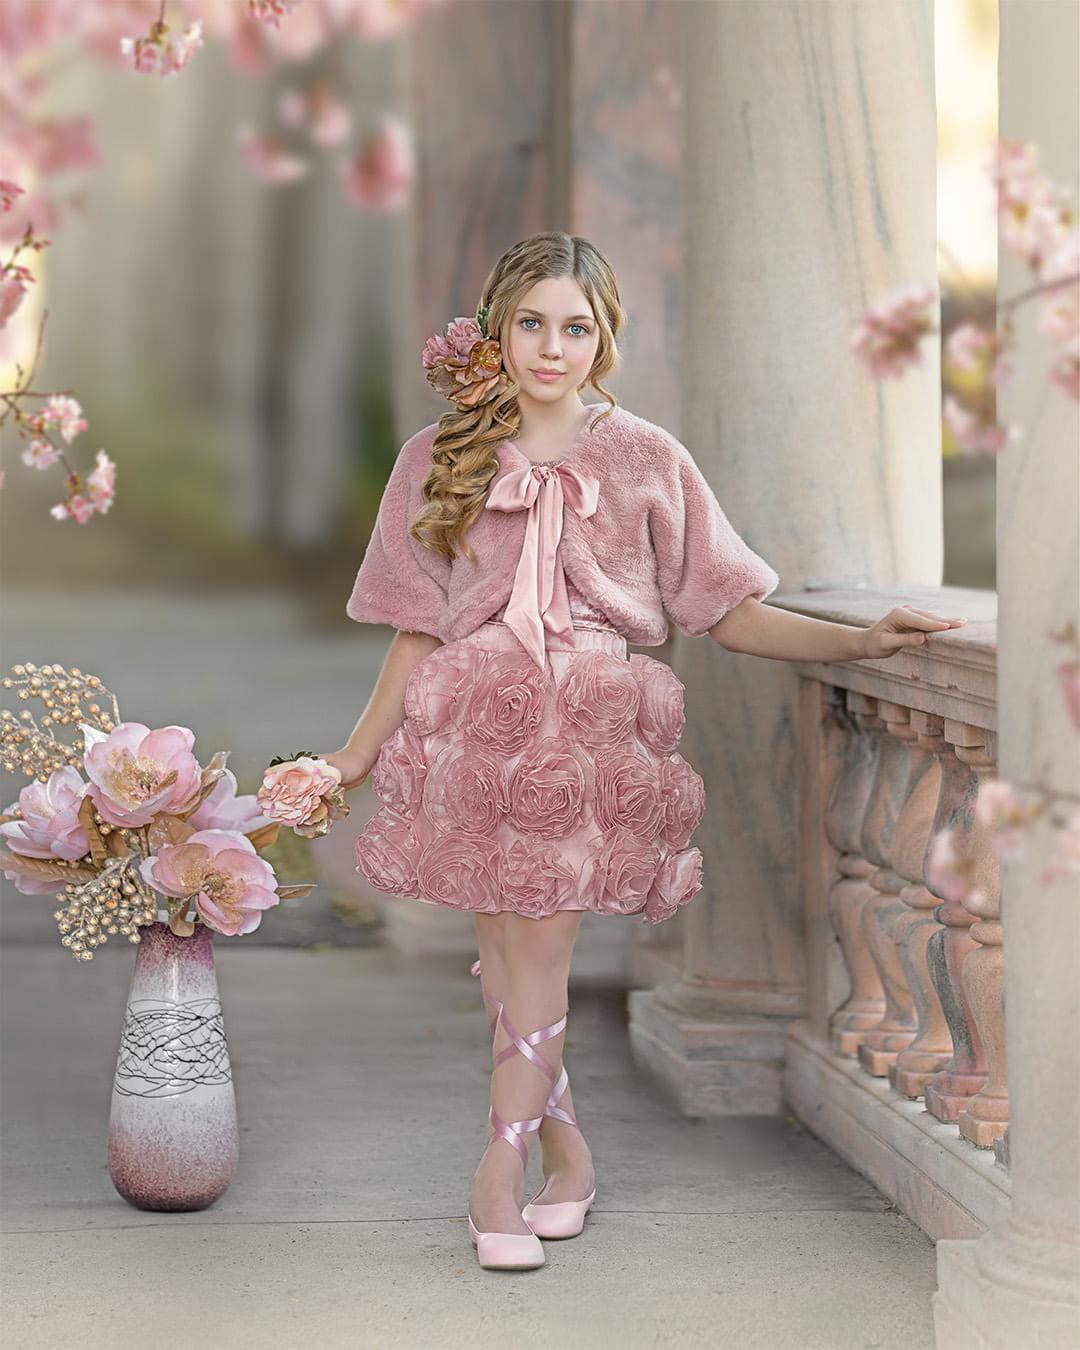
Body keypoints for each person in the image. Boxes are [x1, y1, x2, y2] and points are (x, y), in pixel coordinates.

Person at [318, 231, 967, 1272]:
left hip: (583, 735)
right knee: (509, 958)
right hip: (476, 733)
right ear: (495, 327)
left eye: (577, 328)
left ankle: (496, 1176)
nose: (551, 348)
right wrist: (354, 757)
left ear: (605, 338)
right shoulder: (437, 459)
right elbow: (415, 629)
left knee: (540, 956)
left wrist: (858, 639)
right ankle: (569, 1166)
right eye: (531, 323)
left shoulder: (646, 459)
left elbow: (732, 610)